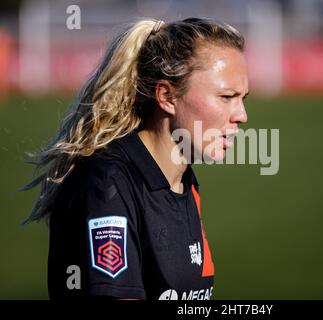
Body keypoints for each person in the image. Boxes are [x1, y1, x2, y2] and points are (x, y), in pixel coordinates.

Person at [23, 17, 249, 300]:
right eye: (226, 96)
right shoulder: (107, 186)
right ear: (167, 96)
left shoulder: (182, 181)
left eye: (243, 99)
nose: (242, 115)